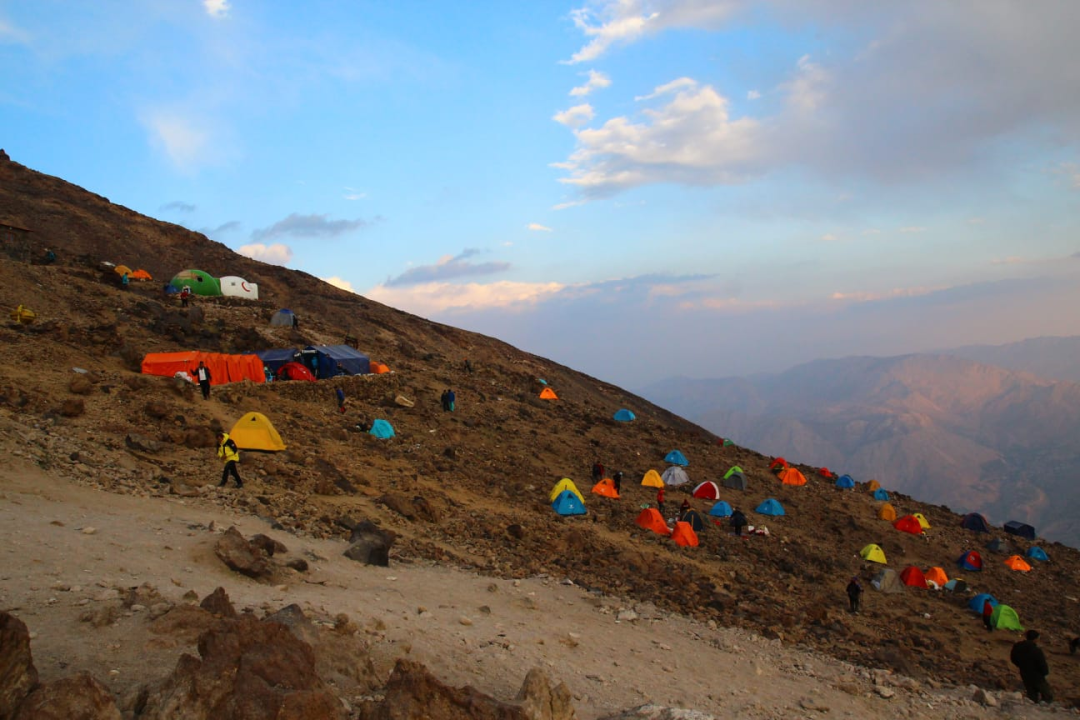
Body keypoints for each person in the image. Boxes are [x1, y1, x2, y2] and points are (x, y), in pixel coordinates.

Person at [1011, 630, 1053, 703]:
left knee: (1032, 696)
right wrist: (1045, 672)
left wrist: (1020, 665)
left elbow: (1013, 658)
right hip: (1037, 676)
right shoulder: (1036, 650)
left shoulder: (1018, 647)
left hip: (1024, 673)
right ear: (1035, 639)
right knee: (1047, 696)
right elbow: (1042, 664)